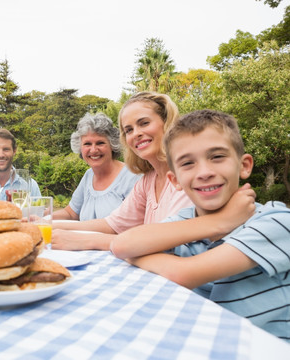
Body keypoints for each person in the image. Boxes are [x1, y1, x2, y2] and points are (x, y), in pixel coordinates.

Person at [110, 109, 290, 341]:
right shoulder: (188, 219)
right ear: (174, 181)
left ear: (244, 165)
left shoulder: (276, 220)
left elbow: (182, 274)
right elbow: (122, 244)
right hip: (205, 340)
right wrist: (219, 222)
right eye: (187, 163)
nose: (204, 172)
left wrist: (137, 255)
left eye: (217, 157)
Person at [52, 92, 192, 250]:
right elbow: (111, 224)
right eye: (129, 130)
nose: (136, 133)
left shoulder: (187, 174)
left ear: (167, 123)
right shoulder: (148, 180)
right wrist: (44, 224)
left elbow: (167, 244)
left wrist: (87, 240)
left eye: (144, 123)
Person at [53, 113, 141, 221]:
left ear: (112, 145)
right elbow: (71, 213)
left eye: (100, 143)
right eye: (87, 144)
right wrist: (42, 217)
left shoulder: (132, 176)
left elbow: (128, 225)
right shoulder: (88, 175)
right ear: (80, 148)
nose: (93, 150)